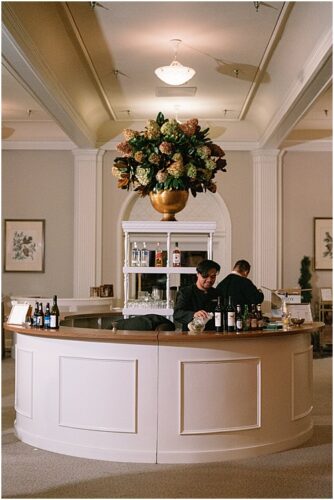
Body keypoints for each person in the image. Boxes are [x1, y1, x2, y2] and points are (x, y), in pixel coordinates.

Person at [173, 259, 221, 331]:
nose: (209, 280)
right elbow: (177, 314)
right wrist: (194, 314)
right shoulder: (185, 292)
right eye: (205, 276)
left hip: (212, 334)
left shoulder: (217, 293)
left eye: (213, 276)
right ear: (198, 274)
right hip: (191, 336)